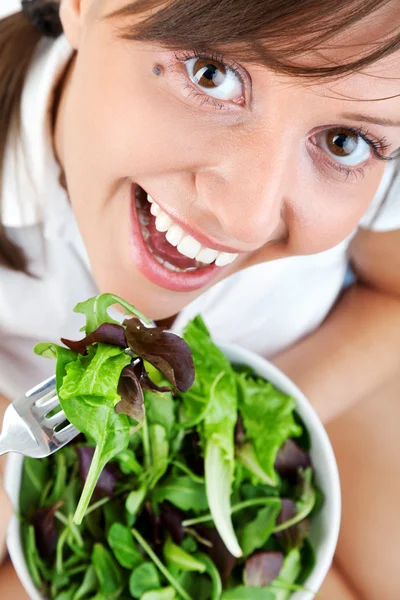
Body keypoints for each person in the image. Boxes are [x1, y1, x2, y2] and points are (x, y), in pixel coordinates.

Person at [0, 0, 400, 598]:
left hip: (310, 375)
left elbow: (391, 296)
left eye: (344, 142)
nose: (246, 219)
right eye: (211, 73)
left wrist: (234, 427)